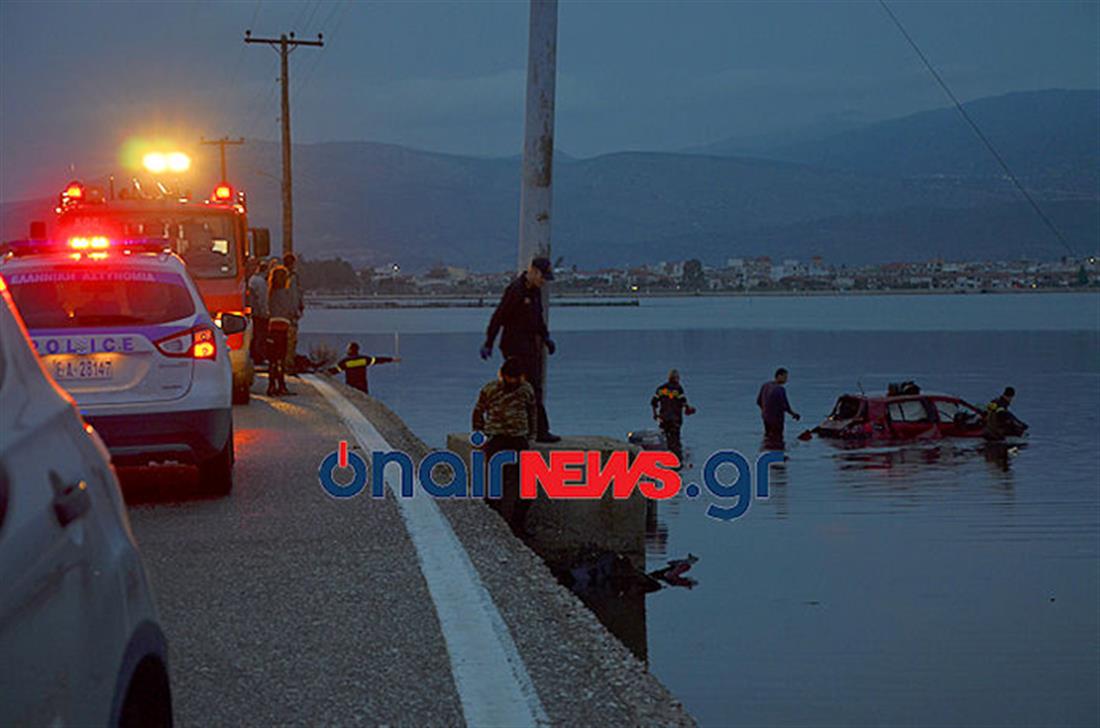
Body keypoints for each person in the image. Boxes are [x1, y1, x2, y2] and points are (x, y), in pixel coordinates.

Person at [480, 256, 559, 443]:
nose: (543, 281)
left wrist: (546, 338)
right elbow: (498, 317)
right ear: (533, 271)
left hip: (530, 345)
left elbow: (538, 319)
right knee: (525, 387)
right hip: (514, 346)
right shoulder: (516, 291)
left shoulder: (535, 292)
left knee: (533, 387)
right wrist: (489, 342)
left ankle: (532, 429)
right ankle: (534, 430)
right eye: (542, 277)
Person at [472, 356, 537, 536]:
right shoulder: (490, 389)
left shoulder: (526, 389)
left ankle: (517, 526)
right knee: (495, 486)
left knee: (527, 487)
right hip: (496, 440)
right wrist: (479, 434)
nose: (513, 382)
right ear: (502, 375)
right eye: (510, 377)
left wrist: (532, 434)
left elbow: (532, 412)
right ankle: (494, 526)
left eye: (516, 378)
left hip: (518, 439)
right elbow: (478, 412)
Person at [650, 369, 696, 464]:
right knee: (675, 440)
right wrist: (690, 410)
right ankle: (677, 461)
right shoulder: (678, 389)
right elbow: (684, 403)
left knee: (665, 438)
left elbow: (653, 403)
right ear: (676, 378)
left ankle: (666, 457)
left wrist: (655, 414)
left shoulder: (661, 389)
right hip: (675, 419)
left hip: (663, 418)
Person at [266, 265, 297, 396]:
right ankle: (281, 385)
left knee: (272, 359)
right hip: (284, 326)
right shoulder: (287, 293)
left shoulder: (270, 293)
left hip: (271, 327)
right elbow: (292, 310)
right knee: (281, 358)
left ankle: (271, 385)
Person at [328, 342, 400, 394]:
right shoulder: (364, 359)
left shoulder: (345, 361)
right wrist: (391, 359)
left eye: (348, 349)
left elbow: (336, 370)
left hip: (351, 386)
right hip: (362, 386)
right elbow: (377, 360)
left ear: (350, 350)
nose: (346, 350)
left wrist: (324, 373)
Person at [756, 368, 800, 444]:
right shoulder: (780, 389)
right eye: (785, 377)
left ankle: (767, 451)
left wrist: (764, 411)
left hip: (766, 418)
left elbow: (758, 401)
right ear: (779, 376)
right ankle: (777, 453)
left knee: (768, 436)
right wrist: (794, 414)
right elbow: (785, 406)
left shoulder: (765, 386)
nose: (786, 380)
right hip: (777, 419)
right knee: (778, 439)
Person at [282, 253, 304, 374]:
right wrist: (297, 309)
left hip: (282, 314)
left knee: (285, 341)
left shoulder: (279, 276)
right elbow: (294, 295)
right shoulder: (292, 277)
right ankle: (288, 364)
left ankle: (285, 363)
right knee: (290, 340)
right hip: (290, 314)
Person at [247, 258, 270, 365]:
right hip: (259, 313)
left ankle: (254, 355)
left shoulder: (252, 279)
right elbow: (262, 298)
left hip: (253, 312)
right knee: (261, 335)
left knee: (255, 335)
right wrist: (265, 312)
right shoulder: (261, 282)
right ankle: (259, 357)